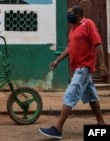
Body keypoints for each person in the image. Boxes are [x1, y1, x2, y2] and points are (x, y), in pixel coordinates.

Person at [39, 5, 107, 140]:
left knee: (70, 94)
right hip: (77, 68)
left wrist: (103, 66)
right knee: (92, 96)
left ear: (77, 13)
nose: (67, 15)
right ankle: (101, 125)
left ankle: (58, 129)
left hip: (84, 67)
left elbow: (98, 44)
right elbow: (70, 48)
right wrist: (57, 60)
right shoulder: (74, 28)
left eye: (69, 13)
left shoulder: (88, 24)